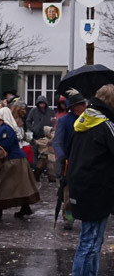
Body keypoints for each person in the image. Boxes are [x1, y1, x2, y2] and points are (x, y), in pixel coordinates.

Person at [67, 84, 114, 276]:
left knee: (94, 241)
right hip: (97, 189)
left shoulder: (84, 123)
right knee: (90, 242)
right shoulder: (105, 126)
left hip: (84, 187)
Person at [0, 106, 41, 219]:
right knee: (21, 186)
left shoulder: (5, 129)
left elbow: (1, 144)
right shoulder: (7, 128)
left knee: (5, 184)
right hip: (17, 160)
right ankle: (25, 207)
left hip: (12, 161)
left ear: (1, 117)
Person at [52, 89, 87, 230]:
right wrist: (62, 157)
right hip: (68, 162)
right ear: (74, 107)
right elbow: (57, 142)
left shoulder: (89, 120)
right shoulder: (64, 121)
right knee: (67, 196)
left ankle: (86, 216)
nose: (84, 106)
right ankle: (69, 219)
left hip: (84, 161)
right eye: (81, 104)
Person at [26, 95, 56, 180]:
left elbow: (54, 121)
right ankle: (36, 171)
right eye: (40, 103)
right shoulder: (34, 111)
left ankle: (48, 172)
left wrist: (51, 131)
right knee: (36, 153)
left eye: (43, 103)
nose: (41, 105)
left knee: (48, 155)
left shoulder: (51, 111)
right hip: (37, 135)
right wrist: (33, 128)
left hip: (47, 136)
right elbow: (28, 121)